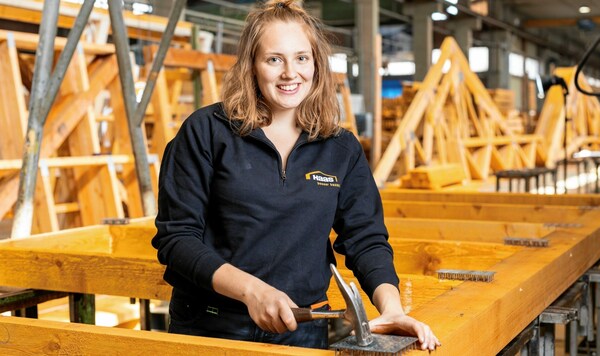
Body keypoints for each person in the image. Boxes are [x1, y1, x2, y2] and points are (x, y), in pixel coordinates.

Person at [152, 0, 440, 351]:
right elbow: (177, 239)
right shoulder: (206, 132)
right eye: (275, 59)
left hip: (303, 329)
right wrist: (253, 292)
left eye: (302, 58)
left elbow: (365, 237)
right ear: (252, 66)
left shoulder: (340, 147)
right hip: (211, 325)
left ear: (317, 65)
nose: (291, 73)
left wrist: (391, 308)